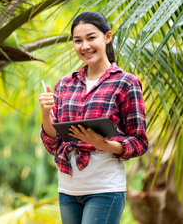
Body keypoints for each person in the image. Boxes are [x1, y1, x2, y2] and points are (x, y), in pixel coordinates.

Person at [38, 11, 148, 224]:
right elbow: (53, 143)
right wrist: (45, 112)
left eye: (91, 38)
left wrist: (103, 144)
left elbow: (139, 142)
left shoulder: (126, 83)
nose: (84, 46)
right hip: (68, 189)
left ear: (107, 37)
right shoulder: (64, 85)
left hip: (105, 189)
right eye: (78, 41)